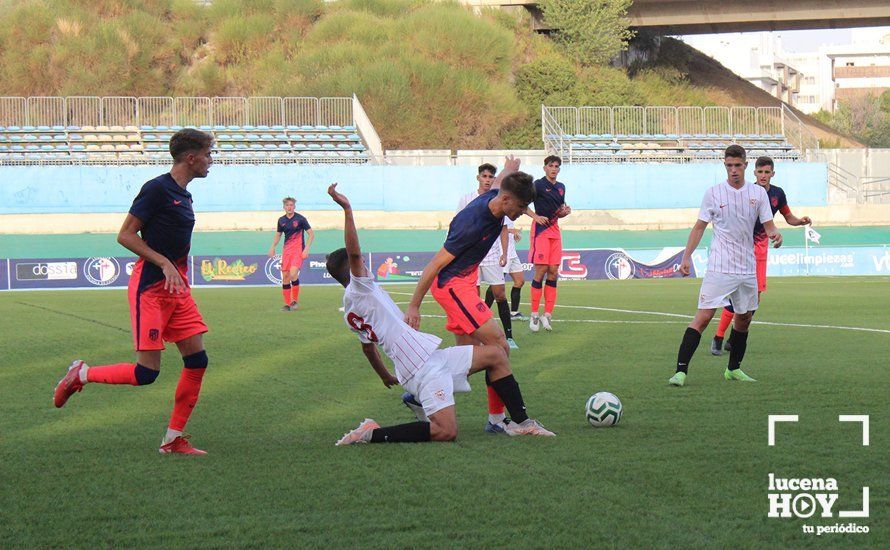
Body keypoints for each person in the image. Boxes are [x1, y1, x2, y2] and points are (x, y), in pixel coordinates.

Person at [324, 183, 554, 444]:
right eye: (361, 263)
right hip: (421, 369)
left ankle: (521, 422)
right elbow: (353, 251)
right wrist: (347, 209)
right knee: (445, 432)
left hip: (431, 359)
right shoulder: (360, 288)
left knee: (497, 354)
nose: (364, 265)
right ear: (355, 269)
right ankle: (371, 434)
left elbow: (368, 349)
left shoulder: (352, 309)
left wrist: (386, 376)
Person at [53, 128, 215, 455]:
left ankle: (173, 439)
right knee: (146, 373)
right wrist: (164, 263)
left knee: (197, 360)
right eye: (209, 155)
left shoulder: (184, 195)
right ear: (191, 157)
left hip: (176, 289)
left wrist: (176, 271)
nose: (212, 161)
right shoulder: (156, 189)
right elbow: (125, 235)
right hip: (151, 289)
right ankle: (81, 374)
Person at [403, 156, 536, 434]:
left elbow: (501, 180)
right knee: (500, 346)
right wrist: (414, 306)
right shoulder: (472, 223)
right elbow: (434, 266)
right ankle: (500, 421)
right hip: (453, 286)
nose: (524, 212)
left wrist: (511, 166)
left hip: (463, 282)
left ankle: (418, 396)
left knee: (470, 358)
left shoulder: (497, 196)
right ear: (507, 200)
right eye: (522, 207)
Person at [669, 145, 783, 387]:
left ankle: (733, 369)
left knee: (744, 320)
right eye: (729, 166)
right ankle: (680, 372)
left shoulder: (758, 194)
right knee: (703, 317)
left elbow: (769, 225)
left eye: (737, 165)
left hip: (746, 268)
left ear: (745, 165)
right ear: (725, 166)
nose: (733, 170)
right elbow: (699, 226)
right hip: (720, 267)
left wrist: (775, 234)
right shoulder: (713, 193)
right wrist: (686, 257)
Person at [710, 156, 812, 355]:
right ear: (754, 172)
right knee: (736, 295)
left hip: (761, 250)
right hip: (741, 249)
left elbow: (787, 216)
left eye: (767, 172)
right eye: (760, 172)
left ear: (772, 174)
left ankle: (733, 337)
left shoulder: (777, 194)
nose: (763, 175)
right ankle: (718, 337)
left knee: (754, 299)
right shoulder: (748, 192)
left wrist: (800, 221)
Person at [460, 164, 516, 349]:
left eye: (491, 176)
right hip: (472, 255)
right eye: (484, 176)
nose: (487, 179)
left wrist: (504, 253)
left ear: (494, 179)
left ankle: (509, 337)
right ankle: (476, 337)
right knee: (473, 297)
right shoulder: (467, 199)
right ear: (478, 178)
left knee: (499, 293)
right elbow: (458, 224)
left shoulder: (500, 199)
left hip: (492, 254)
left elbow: (505, 229)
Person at [528, 156, 571, 333]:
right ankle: (534, 314)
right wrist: (536, 216)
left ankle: (547, 314)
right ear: (544, 168)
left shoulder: (561, 187)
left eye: (556, 166)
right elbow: (522, 205)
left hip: (555, 231)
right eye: (550, 166)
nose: (554, 169)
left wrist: (564, 213)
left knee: (553, 272)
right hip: (541, 232)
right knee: (541, 270)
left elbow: (559, 211)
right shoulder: (537, 185)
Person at [268, 197, 314, 311]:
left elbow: (311, 234)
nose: (289, 207)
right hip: (286, 251)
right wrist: (272, 247)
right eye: (287, 205)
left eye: (291, 205)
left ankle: (294, 301)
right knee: (285, 277)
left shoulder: (301, 219)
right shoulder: (281, 220)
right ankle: (287, 304)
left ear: (294, 206)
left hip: (298, 250)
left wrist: (306, 249)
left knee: (293, 274)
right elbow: (278, 235)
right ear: (284, 207)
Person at [486, 217, 526, 319]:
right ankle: (484, 312)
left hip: (512, 253)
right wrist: (510, 231)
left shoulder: (511, 214)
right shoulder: (501, 212)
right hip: (503, 253)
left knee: (520, 281)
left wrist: (514, 234)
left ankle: (514, 313)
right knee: (496, 284)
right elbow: (495, 228)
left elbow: (507, 230)